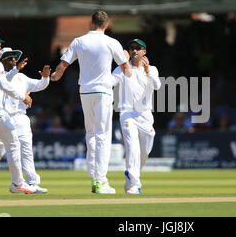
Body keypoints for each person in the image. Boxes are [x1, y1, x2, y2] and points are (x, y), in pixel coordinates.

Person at [50, 11, 132, 194]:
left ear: (91, 22)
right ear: (107, 24)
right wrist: (126, 59)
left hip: (85, 92)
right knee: (102, 135)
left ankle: (95, 177)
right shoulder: (112, 42)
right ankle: (101, 181)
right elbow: (128, 72)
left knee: (91, 134)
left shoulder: (79, 41)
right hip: (103, 91)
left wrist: (54, 77)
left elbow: (62, 66)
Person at [0, 47, 51, 194]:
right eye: (10, 58)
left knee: (25, 151)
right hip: (4, 117)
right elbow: (5, 84)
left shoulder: (21, 77)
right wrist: (22, 93)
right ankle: (14, 182)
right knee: (2, 146)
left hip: (21, 117)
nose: (14, 61)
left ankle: (32, 182)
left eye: (15, 58)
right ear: (2, 61)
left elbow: (39, 85)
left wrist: (45, 77)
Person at [111, 39, 161, 194]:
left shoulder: (152, 69)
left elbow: (157, 86)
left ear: (144, 52)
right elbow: (110, 81)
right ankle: (135, 184)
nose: (134, 51)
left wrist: (146, 72)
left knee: (145, 151)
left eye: (138, 48)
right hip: (127, 113)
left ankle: (131, 174)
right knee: (132, 147)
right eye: (132, 48)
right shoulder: (122, 69)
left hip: (145, 115)